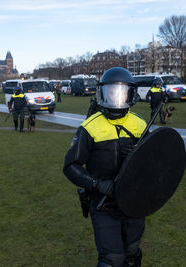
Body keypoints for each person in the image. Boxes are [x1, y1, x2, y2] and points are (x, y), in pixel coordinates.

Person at [63, 67, 147, 266]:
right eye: (111, 92)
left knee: (132, 252)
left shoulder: (141, 124)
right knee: (112, 259)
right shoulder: (90, 127)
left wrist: (137, 155)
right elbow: (70, 166)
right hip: (103, 204)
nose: (116, 97)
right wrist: (98, 184)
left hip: (133, 202)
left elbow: (153, 163)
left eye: (121, 92)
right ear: (102, 93)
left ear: (131, 93)